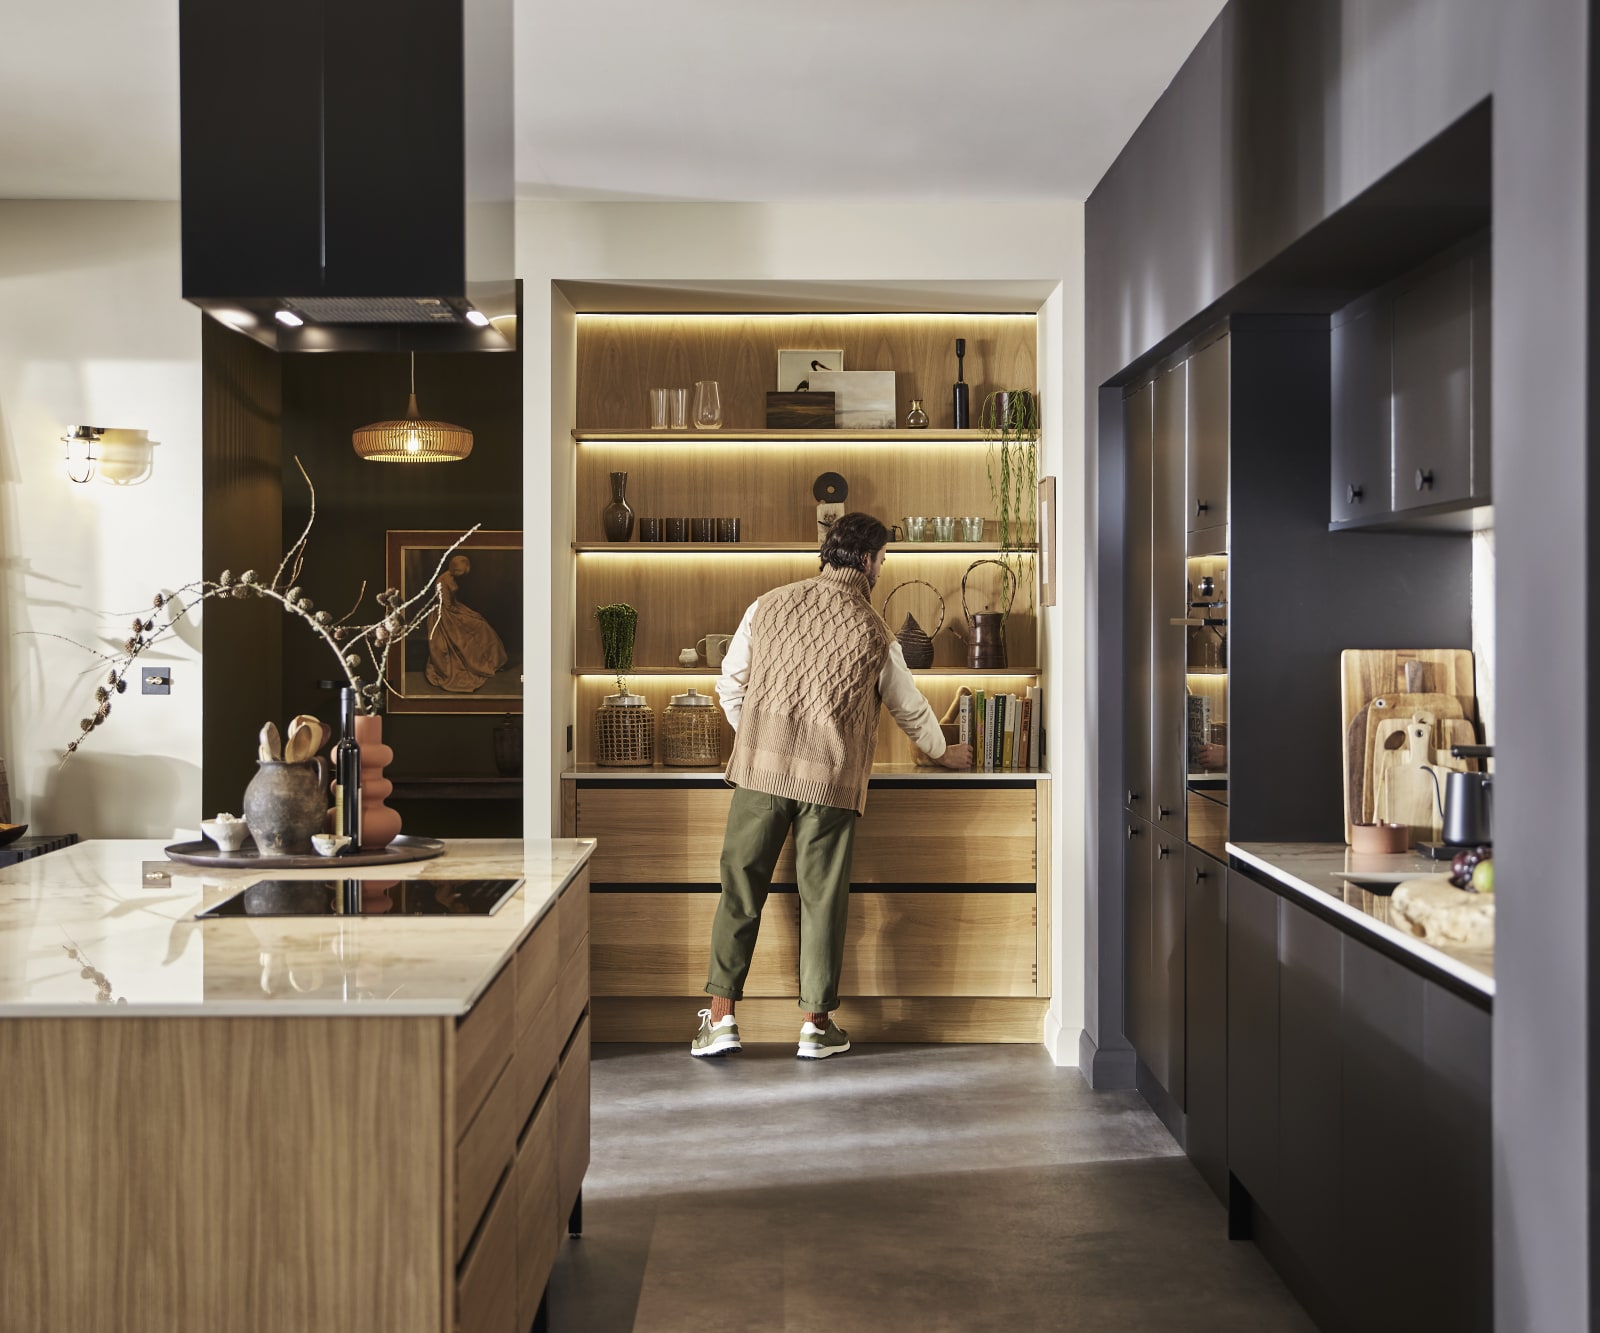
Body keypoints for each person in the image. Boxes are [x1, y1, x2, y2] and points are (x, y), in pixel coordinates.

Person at [691, 512, 973, 1059]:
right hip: (830, 783)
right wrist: (945, 753)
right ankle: (816, 1028)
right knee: (822, 900)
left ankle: (722, 1020)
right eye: (884, 559)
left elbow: (730, 683)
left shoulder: (766, 605)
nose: (883, 568)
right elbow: (910, 709)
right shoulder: (875, 629)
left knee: (740, 891)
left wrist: (753, 739)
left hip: (759, 774)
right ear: (868, 561)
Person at [425, 553, 508, 692]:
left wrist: (467, 612)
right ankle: (480, 664)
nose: (461, 575)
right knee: (476, 627)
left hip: (454, 609)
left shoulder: (451, 577)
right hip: (445, 615)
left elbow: (453, 603)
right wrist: (466, 613)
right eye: (459, 571)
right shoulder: (442, 581)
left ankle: (492, 662)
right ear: (454, 568)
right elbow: (447, 606)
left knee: (480, 622)